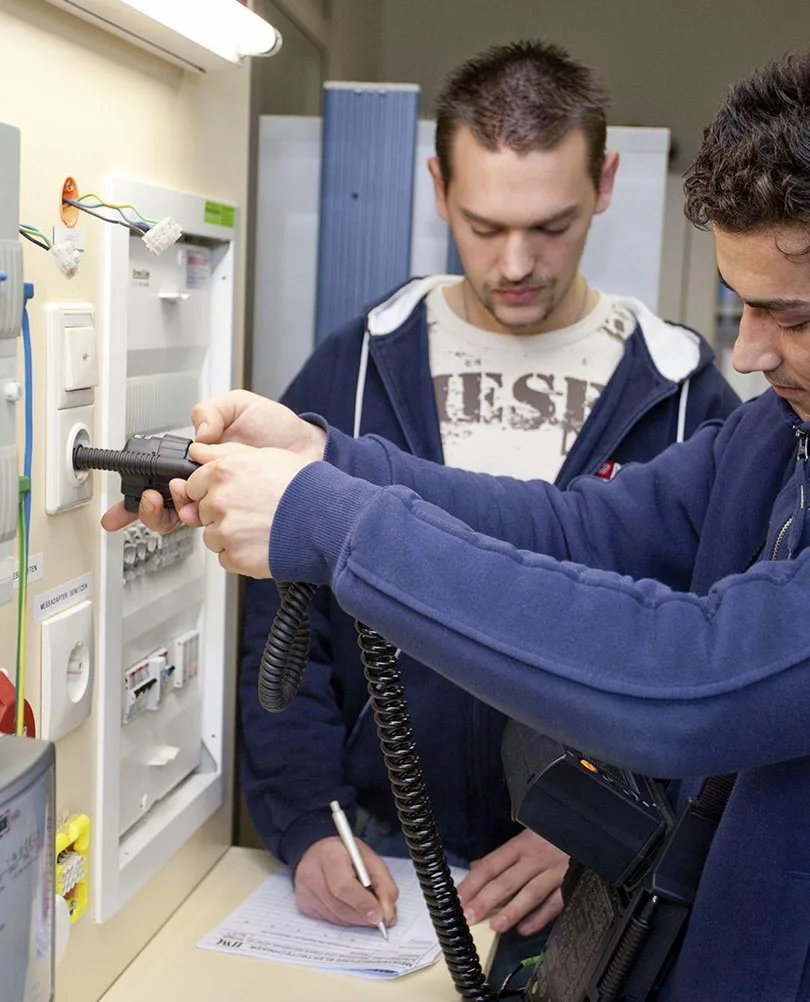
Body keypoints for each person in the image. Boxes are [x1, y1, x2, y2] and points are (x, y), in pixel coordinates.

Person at [105, 51, 810, 1001]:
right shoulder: (771, 439)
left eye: (791, 317)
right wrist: (327, 462)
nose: (751, 350)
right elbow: (570, 532)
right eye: (746, 305)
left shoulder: (707, 397)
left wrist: (338, 521)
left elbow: (689, 674)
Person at [238, 39, 738, 971]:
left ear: (607, 182)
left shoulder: (681, 397)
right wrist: (309, 823)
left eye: (552, 226)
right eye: (482, 224)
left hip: (585, 893)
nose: (515, 262)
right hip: (382, 860)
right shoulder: (349, 377)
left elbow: (712, 661)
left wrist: (596, 823)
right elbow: (281, 626)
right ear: (437, 186)